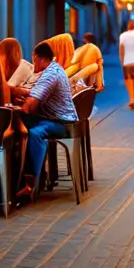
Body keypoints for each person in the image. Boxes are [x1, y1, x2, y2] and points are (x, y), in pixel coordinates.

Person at [16, 41, 78, 204]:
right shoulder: (55, 68)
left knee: (34, 132)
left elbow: (28, 107)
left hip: (61, 123)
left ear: (36, 58)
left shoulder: (50, 75)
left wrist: (12, 92)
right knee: (22, 123)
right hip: (56, 117)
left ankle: (31, 184)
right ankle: (33, 175)